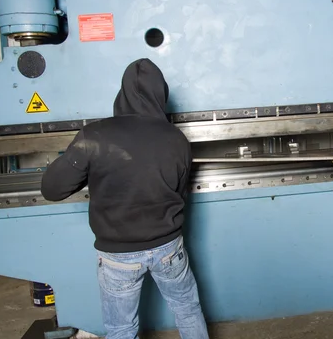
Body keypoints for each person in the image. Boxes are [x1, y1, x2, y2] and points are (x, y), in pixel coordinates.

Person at [41, 58, 209, 339]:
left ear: (123, 93)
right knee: (187, 309)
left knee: (121, 328)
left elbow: (52, 190)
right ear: (161, 94)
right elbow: (179, 195)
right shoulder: (177, 139)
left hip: (117, 255)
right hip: (168, 247)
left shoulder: (94, 136)